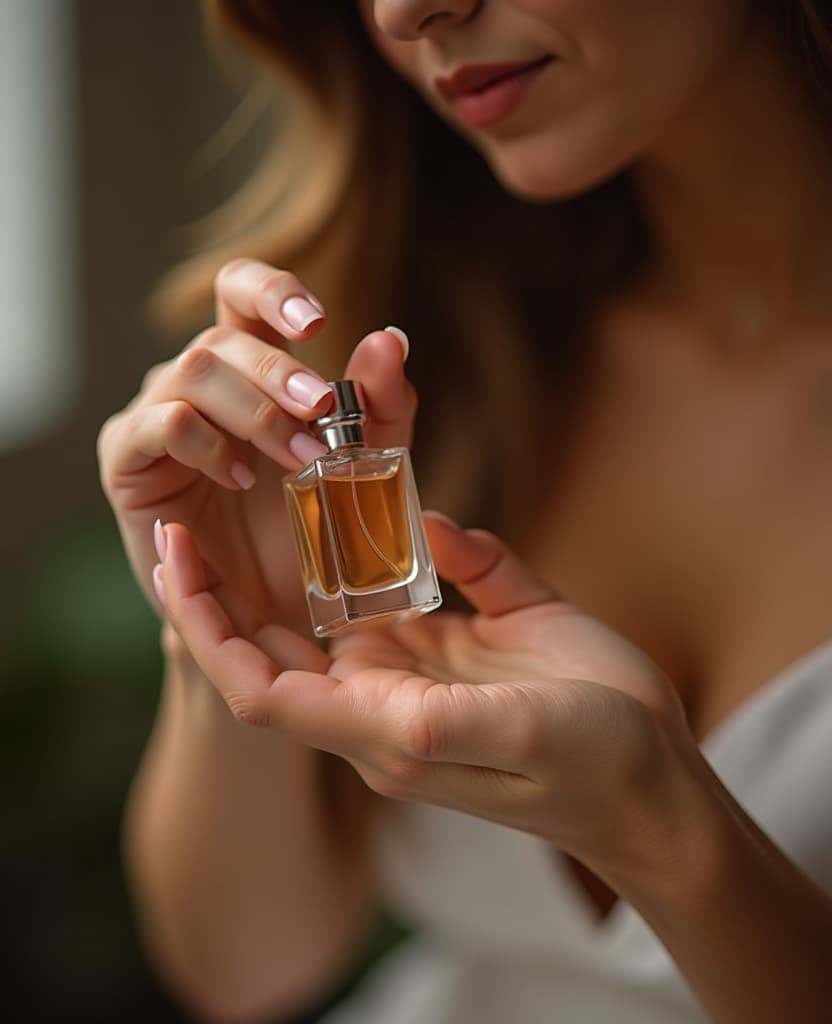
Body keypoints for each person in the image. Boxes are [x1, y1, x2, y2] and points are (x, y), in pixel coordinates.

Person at [97, 1, 832, 1021]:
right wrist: (230, 626)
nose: (404, 10)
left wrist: (662, 828)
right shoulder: (426, 348)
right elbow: (245, 970)